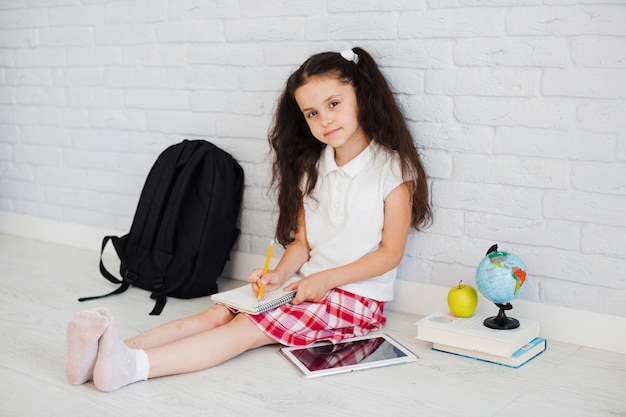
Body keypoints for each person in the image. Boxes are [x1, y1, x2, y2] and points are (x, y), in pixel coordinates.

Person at [65, 47, 432, 392]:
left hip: (357, 300)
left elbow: (389, 254)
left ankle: (132, 367)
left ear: (361, 98)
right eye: (312, 113)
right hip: (303, 285)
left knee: (247, 326)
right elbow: (302, 243)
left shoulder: (392, 168)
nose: (325, 120)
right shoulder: (311, 170)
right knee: (215, 315)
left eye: (333, 104)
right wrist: (277, 276)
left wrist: (325, 280)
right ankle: (102, 354)